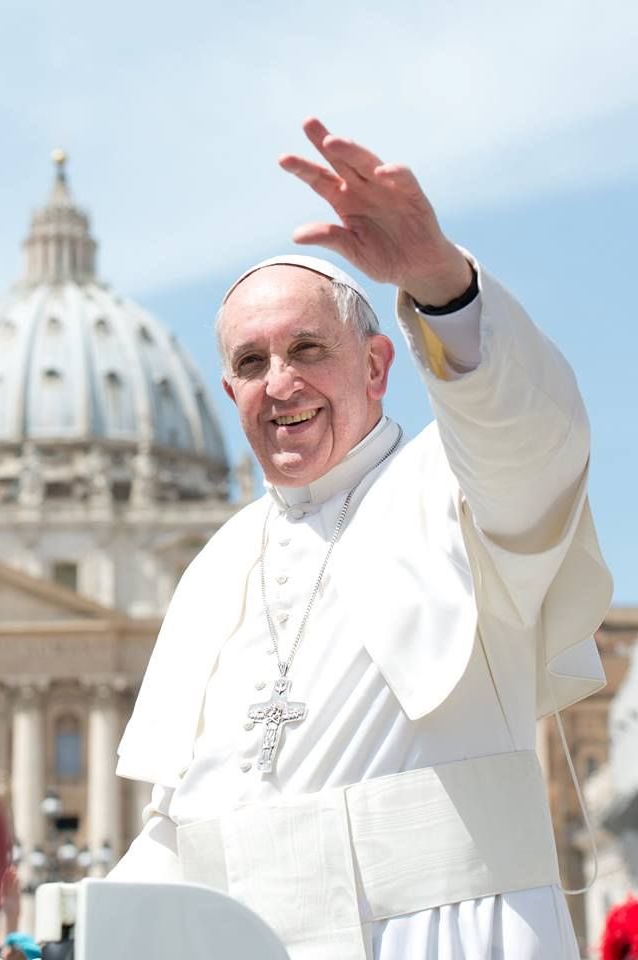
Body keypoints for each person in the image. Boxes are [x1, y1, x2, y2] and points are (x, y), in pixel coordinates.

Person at [112, 118, 613, 959]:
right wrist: (70, 925)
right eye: (250, 363)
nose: (280, 384)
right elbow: (191, 817)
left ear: (378, 365)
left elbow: (531, 434)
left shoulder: (454, 488)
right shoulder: (217, 563)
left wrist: (438, 280)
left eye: (308, 349)